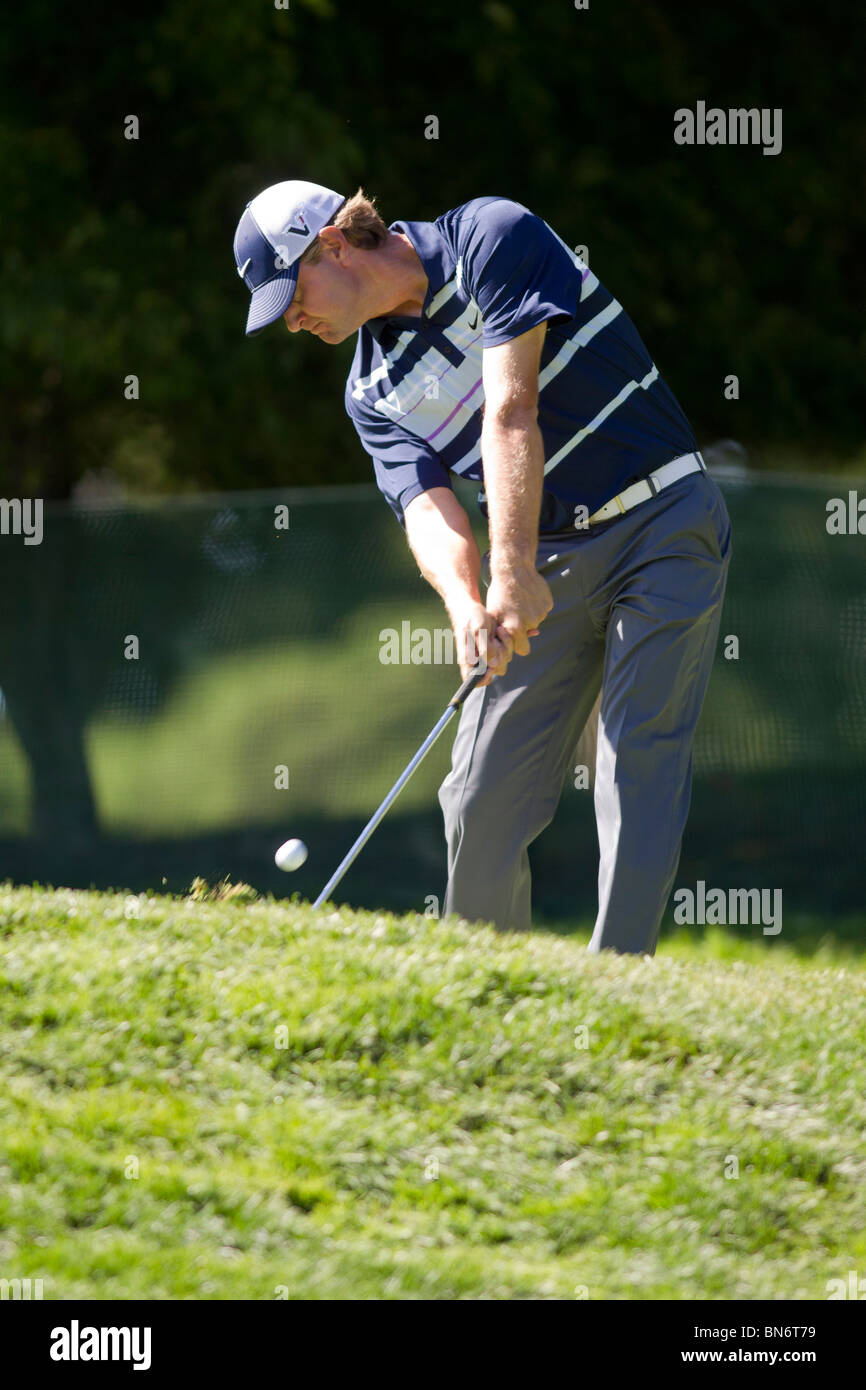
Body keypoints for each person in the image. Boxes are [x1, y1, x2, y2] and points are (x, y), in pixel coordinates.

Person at [233, 179, 732, 954]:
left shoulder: (491, 237)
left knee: (634, 756)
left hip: (663, 516)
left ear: (332, 242)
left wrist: (510, 569)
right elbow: (428, 510)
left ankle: (617, 985)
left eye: (291, 294)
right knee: (477, 797)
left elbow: (512, 409)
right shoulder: (370, 392)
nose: (292, 320)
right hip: (546, 557)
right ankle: (489, 996)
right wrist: (470, 606)